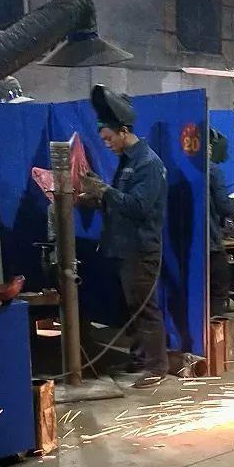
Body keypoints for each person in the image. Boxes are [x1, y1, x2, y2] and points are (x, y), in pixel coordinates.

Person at [79, 85, 169, 388]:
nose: (106, 145)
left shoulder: (148, 164)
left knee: (145, 308)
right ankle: (141, 357)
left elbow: (140, 207)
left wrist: (105, 191)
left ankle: (156, 366)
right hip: (123, 248)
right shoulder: (128, 161)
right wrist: (95, 197)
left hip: (141, 249)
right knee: (132, 308)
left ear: (124, 130)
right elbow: (120, 203)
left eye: (109, 139)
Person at [209, 128, 234, 317]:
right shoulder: (213, 171)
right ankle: (212, 330)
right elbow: (224, 207)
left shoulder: (184, 169)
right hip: (210, 245)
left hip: (186, 245)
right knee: (219, 288)